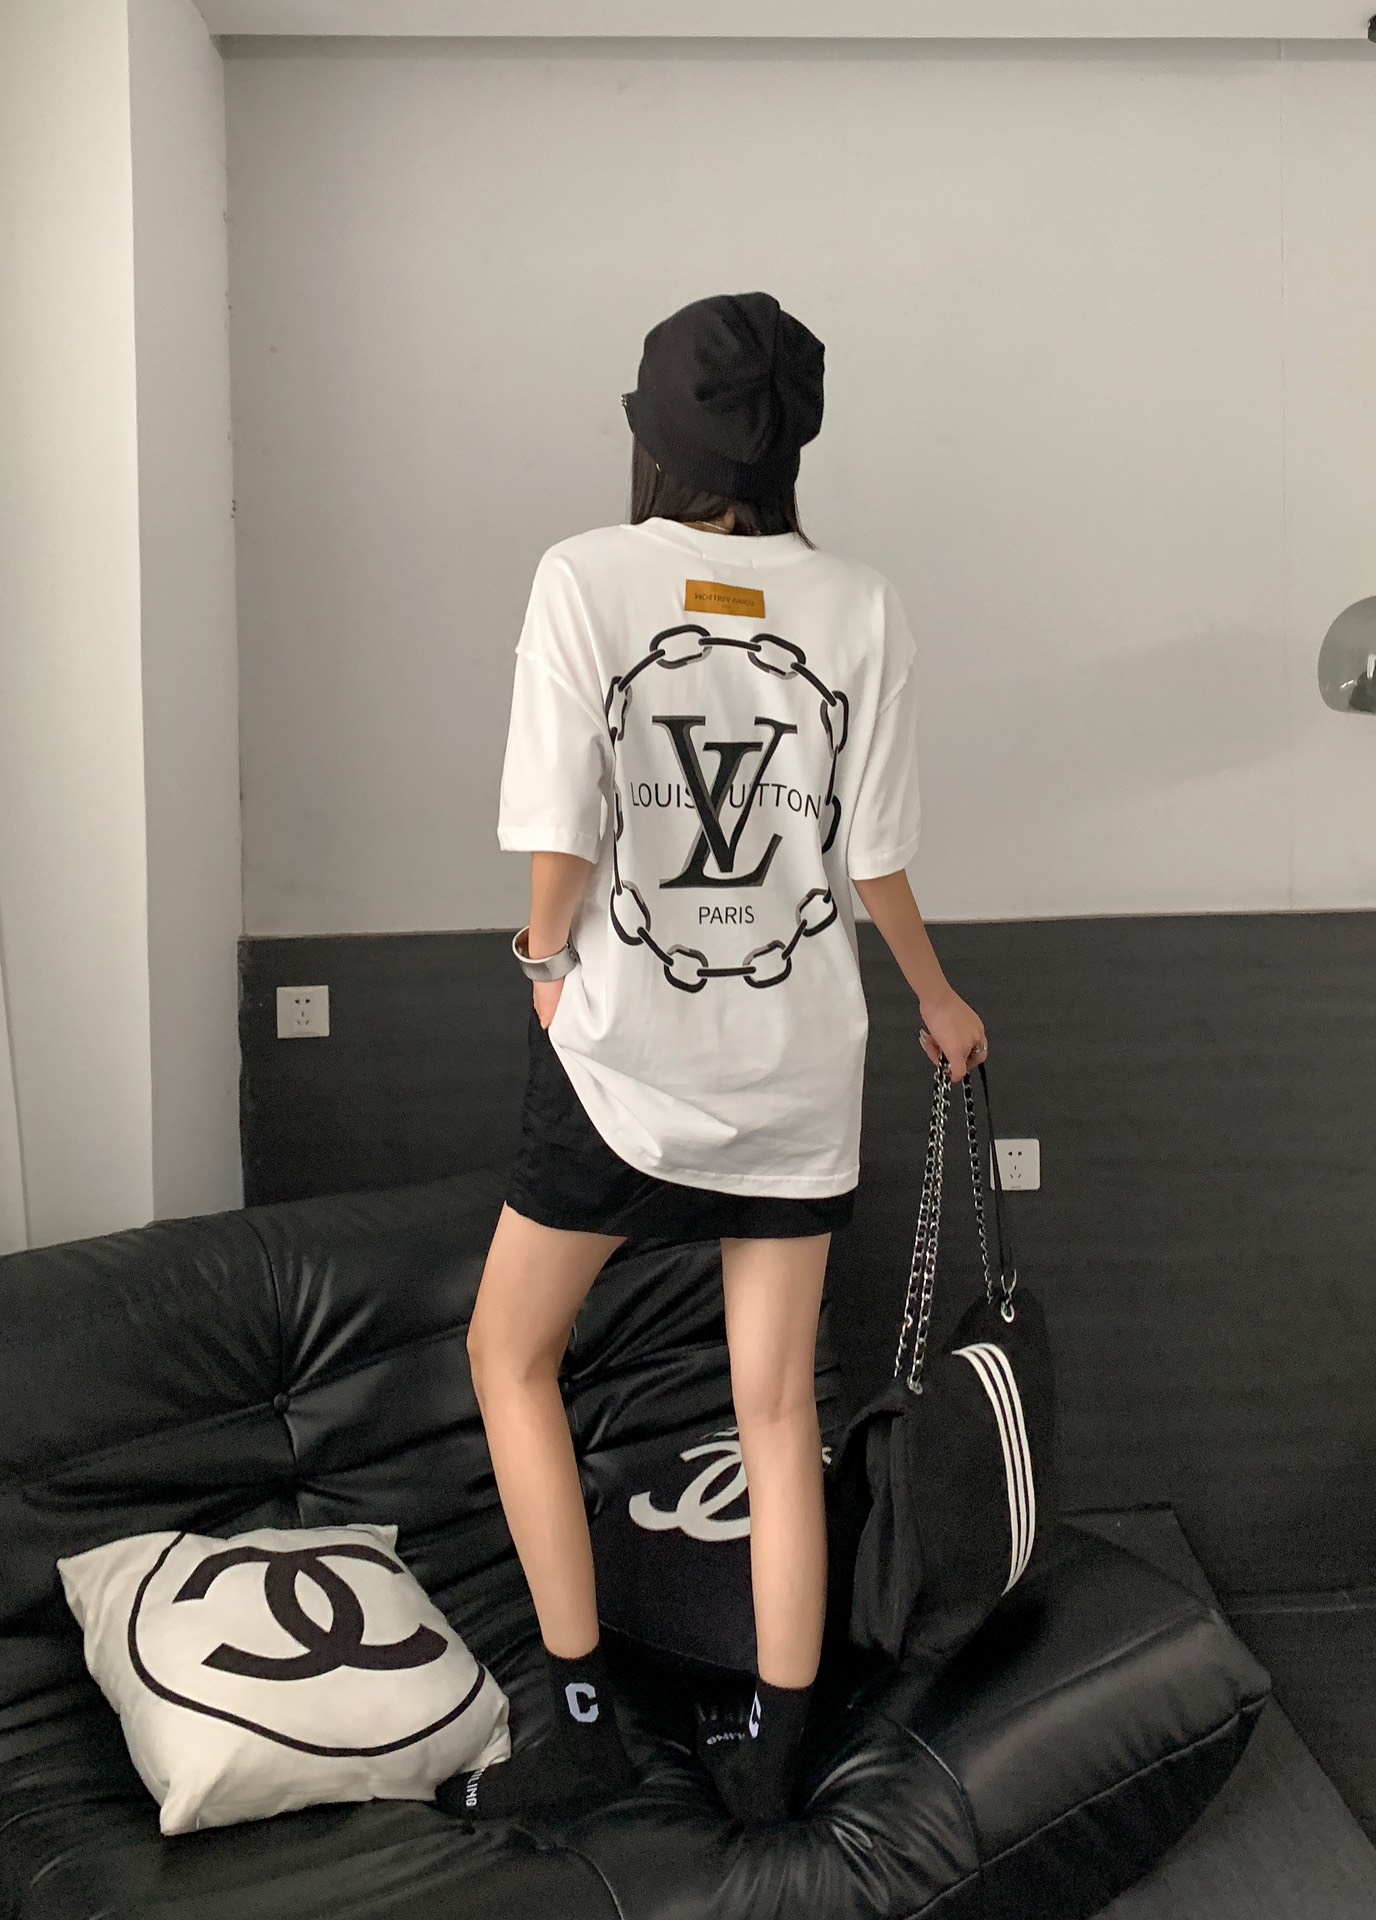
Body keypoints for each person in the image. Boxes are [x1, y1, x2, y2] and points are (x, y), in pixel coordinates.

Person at [447, 291, 988, 1829]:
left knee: (509, 1356)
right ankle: (777, 1745)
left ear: (654, 433)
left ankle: (578, 1720)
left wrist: (543, 963)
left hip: (620, 1064)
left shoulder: (585, 576)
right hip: (797, 1073)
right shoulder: (861, 604)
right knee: (775, 1410)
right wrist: (939, 999)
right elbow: (872, 854)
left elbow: (561, 827)